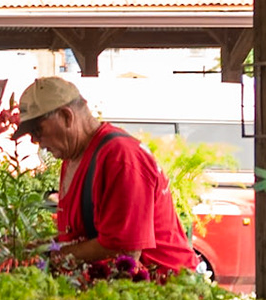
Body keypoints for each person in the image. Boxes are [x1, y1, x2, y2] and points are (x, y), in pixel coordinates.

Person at [15, 77, 192, 277]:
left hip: (165, 291)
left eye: (38, 130)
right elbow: (84, 236)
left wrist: (51, 256)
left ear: (66, 117)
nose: (35, 140)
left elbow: (126, 250)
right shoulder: (73, 157)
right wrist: (44, 247)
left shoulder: (120, 157)